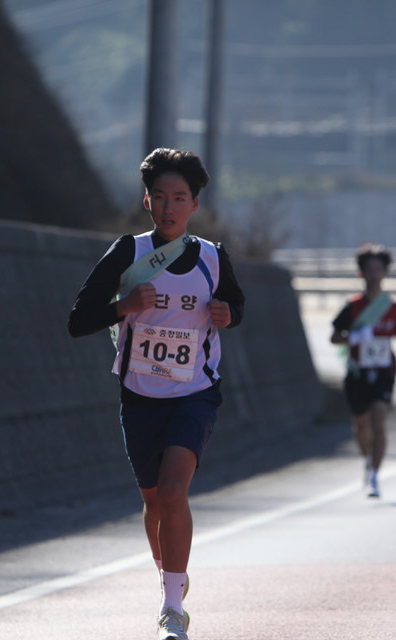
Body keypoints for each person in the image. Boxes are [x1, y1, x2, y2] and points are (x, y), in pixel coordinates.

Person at [67, 148, 245, 640]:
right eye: (160, 197)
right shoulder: (129, 253)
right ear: (147, 200)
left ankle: (172, 611)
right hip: (140, 395)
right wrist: (123, 305)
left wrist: (228, 314)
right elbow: (77, 320)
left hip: (195, 393)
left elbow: (237, 304)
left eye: (180, 198)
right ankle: (173, 577)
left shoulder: (212, 257)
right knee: (153, 502)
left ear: (193, 205)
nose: (169, 207)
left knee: (173, 492)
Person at [330, 243, 396, 499]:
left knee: (379, 421)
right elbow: (334, 337)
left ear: (385, 273)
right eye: (370, 270)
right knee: (360, 424)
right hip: (358, 373)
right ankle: (367, 459)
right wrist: (354, 337)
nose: (375, 275)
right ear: (361, 273)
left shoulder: (394, 307)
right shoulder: (352, 307)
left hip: (385, 372)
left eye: (379, 270)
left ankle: (375, 475)